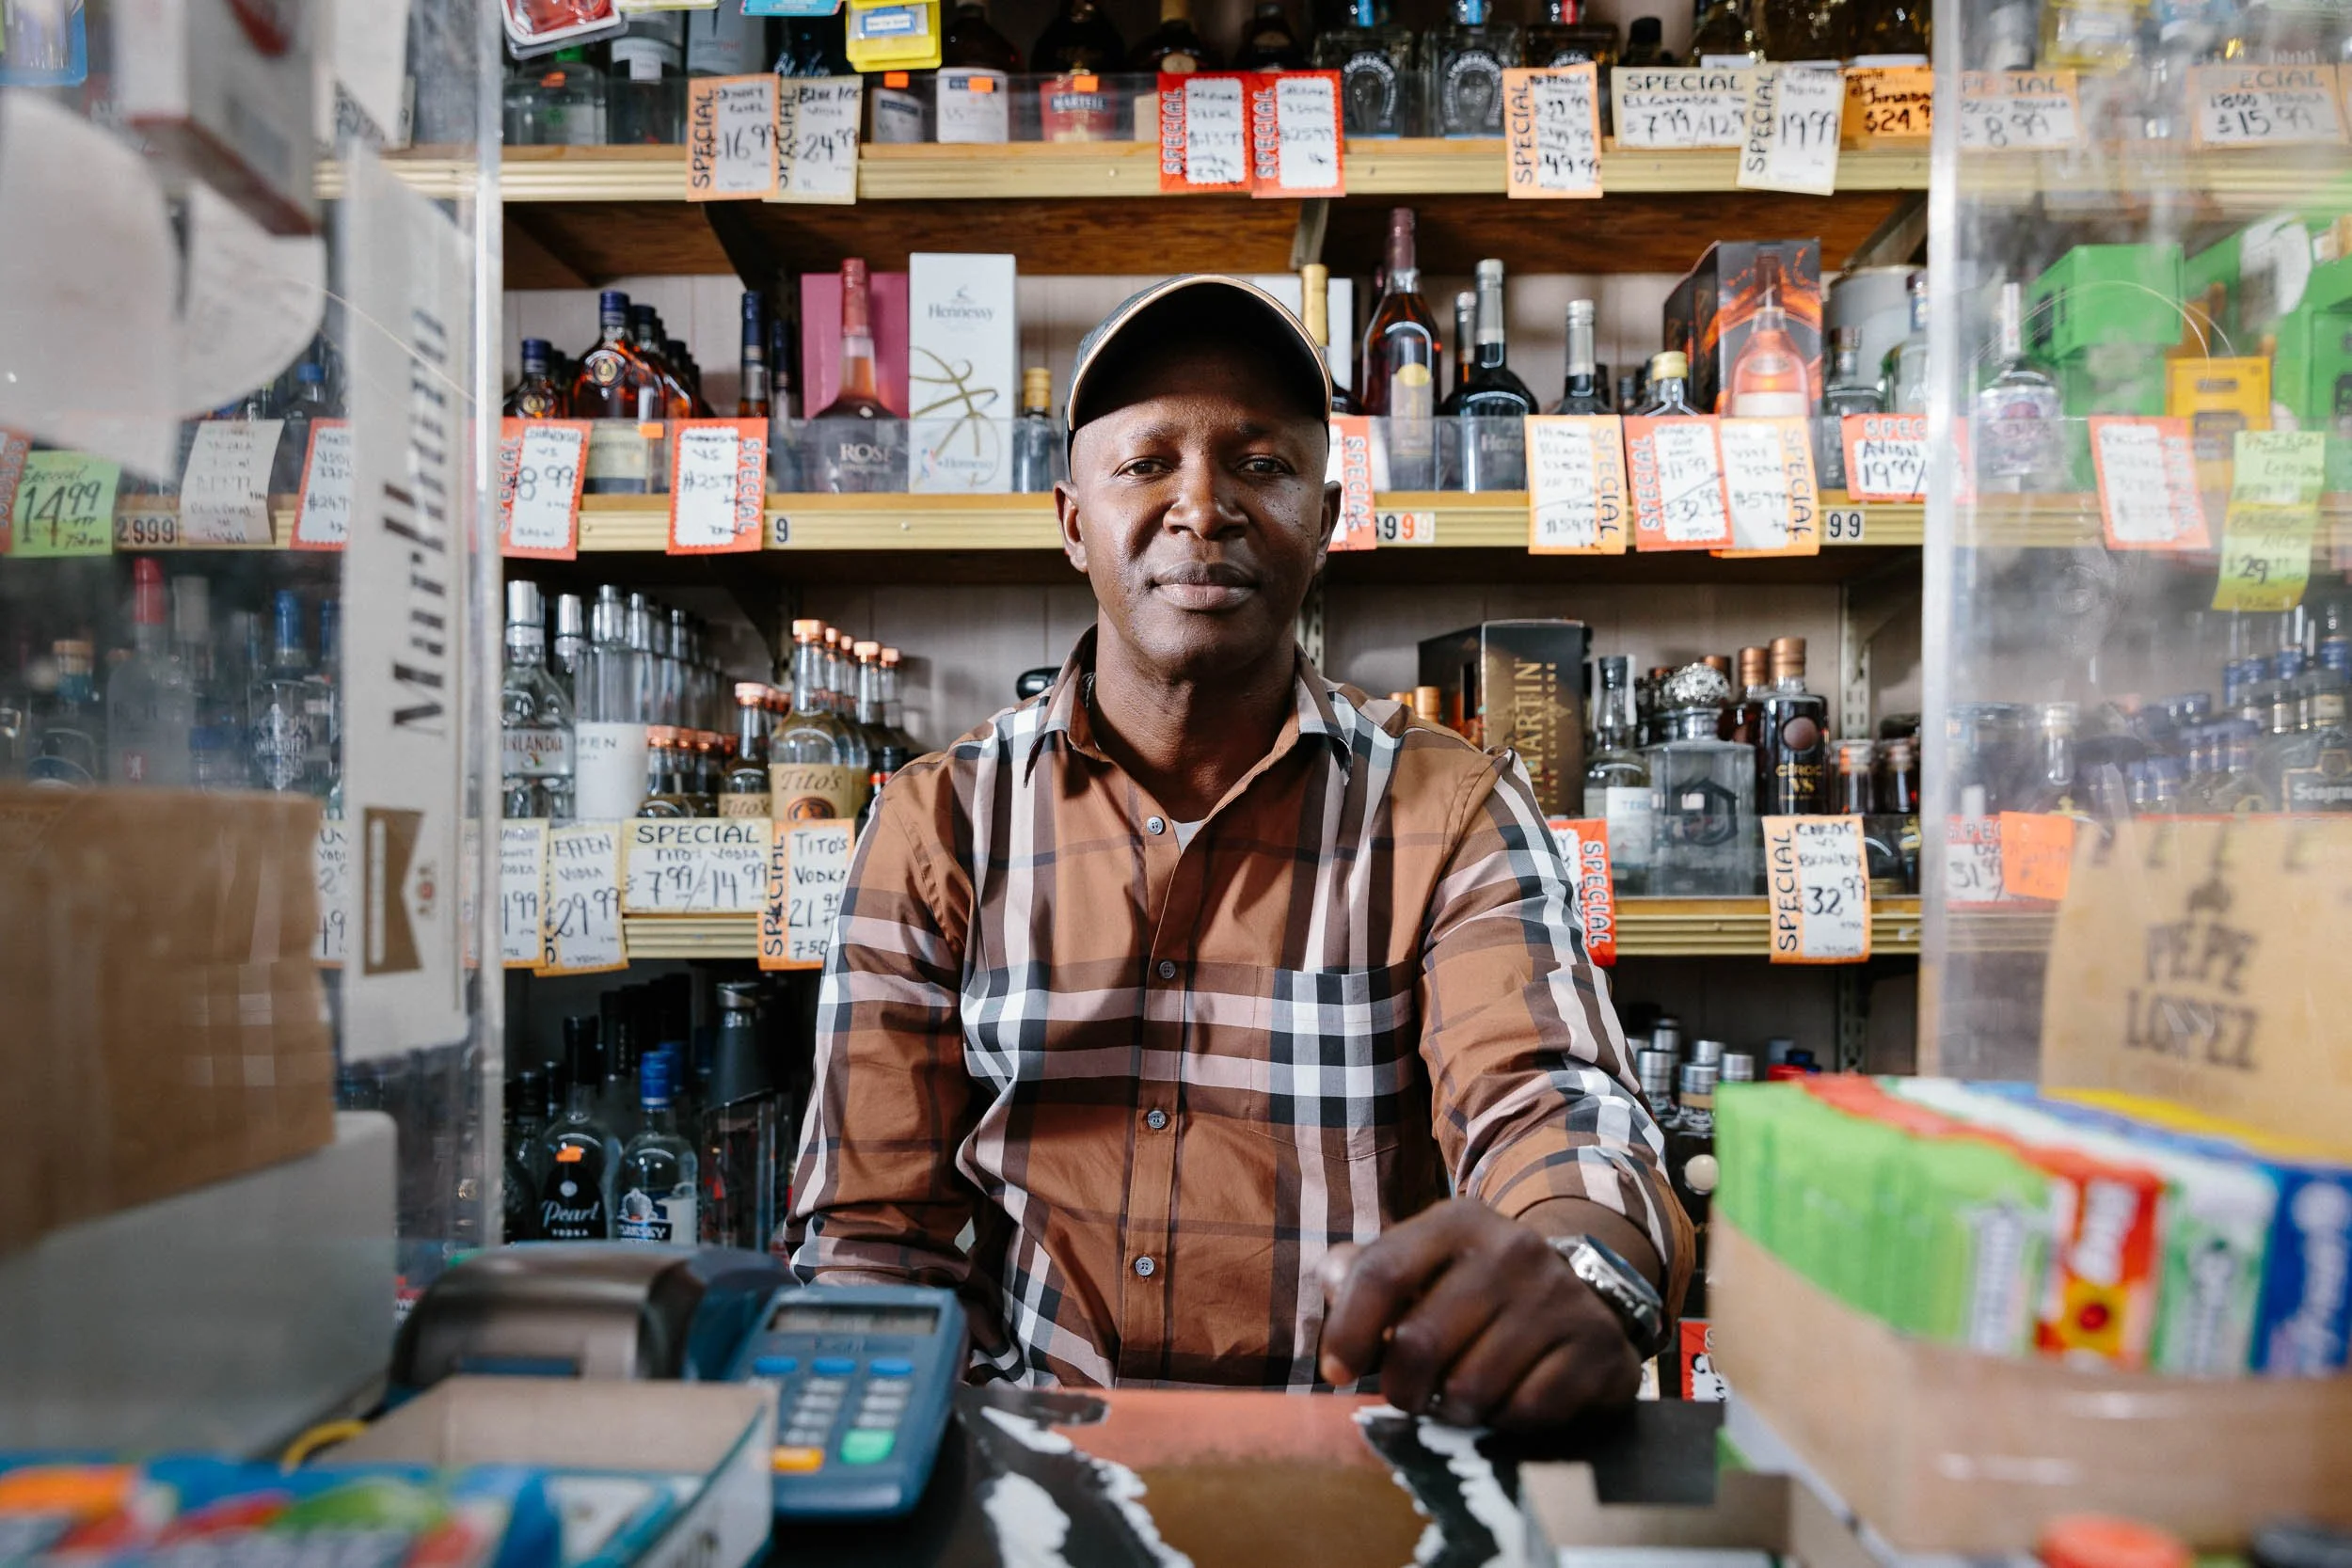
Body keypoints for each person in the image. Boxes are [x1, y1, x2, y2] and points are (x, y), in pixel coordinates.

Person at [787, 277, 1690, 1429]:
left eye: (1261, 465)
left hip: (1359, 1467)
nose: (1201, 506)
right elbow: (873, 1234)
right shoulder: (937, 822)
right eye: (1147, 462)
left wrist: (1581, 1270)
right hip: (1030, 1463)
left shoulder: (1452, 806)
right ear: (1072, 521)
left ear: (1326, 515)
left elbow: (1551, 1105)